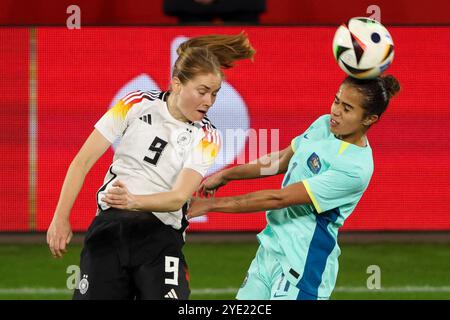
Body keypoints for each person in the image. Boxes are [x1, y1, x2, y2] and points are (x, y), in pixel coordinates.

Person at [46, 32, 255, 300]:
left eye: (214, 94)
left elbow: (178, 198)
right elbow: (81, 162)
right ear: (177, 84)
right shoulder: (135, 103)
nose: (209, 101)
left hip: (160, 237)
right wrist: (60, 218)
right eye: (202, 91)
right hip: (111, 229)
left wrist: (133, 200)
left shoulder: (207, 136)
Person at [187, 75, 401, 300]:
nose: (336, 111)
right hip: (270, 250)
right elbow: (280, 161)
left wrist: (210, 205)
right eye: (336, 101)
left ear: (369, 119)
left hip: (303, 266)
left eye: (347, 108)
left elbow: (278, 199)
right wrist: (227, 174)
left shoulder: (355, 168)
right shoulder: (324, 125)